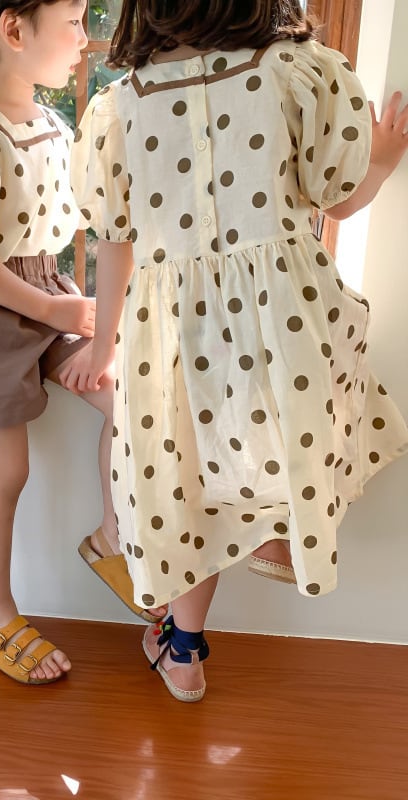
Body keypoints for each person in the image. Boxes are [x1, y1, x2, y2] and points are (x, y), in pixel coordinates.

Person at [63, 0, 408, 701]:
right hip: (282, 324)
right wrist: (383, 160)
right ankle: (281, 524)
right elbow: (335, 200)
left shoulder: (121, 105)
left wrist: (105, 347)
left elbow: (115, 241)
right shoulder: (292, 71)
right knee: (287, 423)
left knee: (187, 494)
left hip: (174, 334)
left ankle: (183, 654)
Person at [0, 0, 167, 686]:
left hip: (48, 291)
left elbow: (97, 221)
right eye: (74, 20)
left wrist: (77, 308)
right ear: (13, 29)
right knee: (6, 474)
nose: (86, 40)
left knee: (127, 403)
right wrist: (55, 308)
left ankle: (113, 533)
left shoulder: (55, 126)